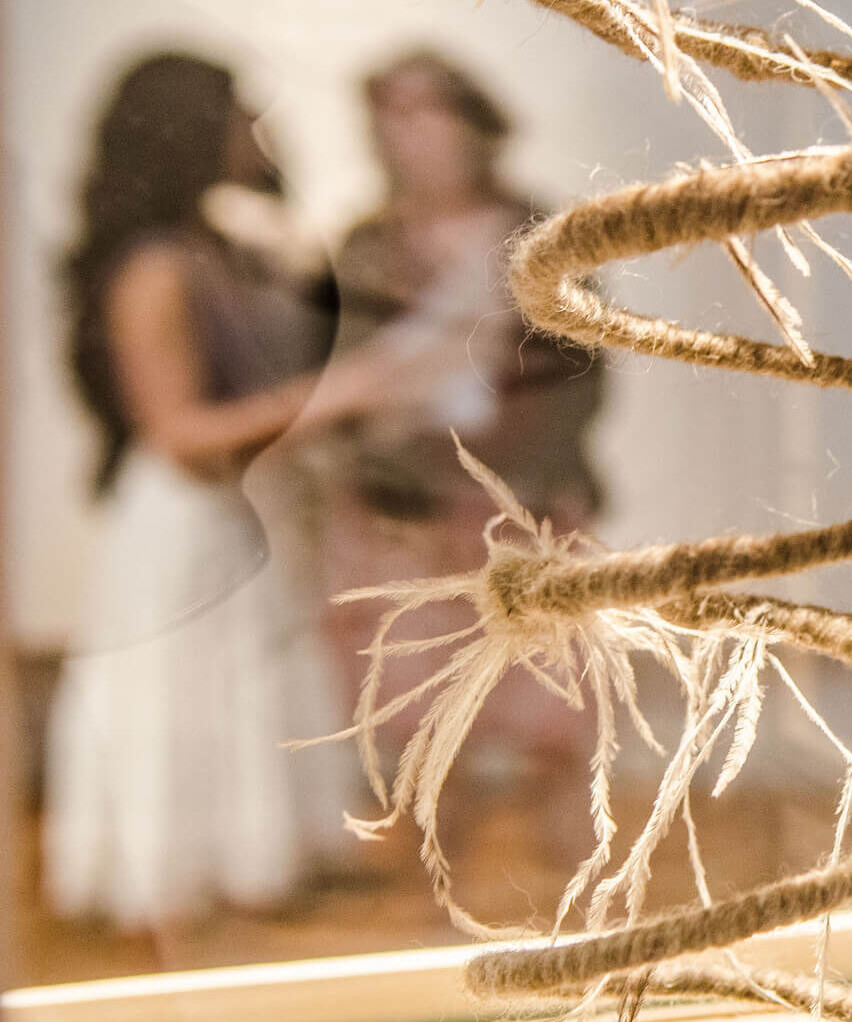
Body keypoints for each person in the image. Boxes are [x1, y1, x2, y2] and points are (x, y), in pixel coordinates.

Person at [41, 53, 392, 935]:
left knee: (233, 685)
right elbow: (179, 429)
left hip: (217, 512)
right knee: (182, 693)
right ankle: (171, 884)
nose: (255, 135)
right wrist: (329, 399)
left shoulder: (211, 249)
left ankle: (241, 871)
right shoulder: (156, 264)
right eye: (241, 117)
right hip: (177, 517)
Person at [317, 49, 604, 860]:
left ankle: (577, 910)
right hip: (398, 519)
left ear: (473, 123)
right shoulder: (366, 246)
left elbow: (577, 379)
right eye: (389, 114)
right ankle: (438, 905)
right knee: (418, 726)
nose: (402, 134)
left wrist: (494, 475)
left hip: (527, 511)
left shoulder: (545, 238)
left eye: (423, 111)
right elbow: (335, 378)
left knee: (555, 708)